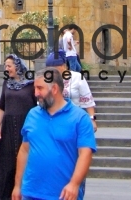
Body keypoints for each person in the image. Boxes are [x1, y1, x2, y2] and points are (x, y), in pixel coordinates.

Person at [12, 68, 96, 200]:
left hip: (64, 195)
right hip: (30, 193)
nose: (35, 93)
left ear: (55, 89)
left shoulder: (80, 118)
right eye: (35, 88)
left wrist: (74, 184)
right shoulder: (32, 114)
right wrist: (17, 186)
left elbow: (85, 154)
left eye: (40, 88)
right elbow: (24, 150)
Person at [0, 54, 37, 200]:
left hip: (24, 127)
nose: (7, 69)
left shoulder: (31, 85)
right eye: (5, 66)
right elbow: (2, 105)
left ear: (18, 66)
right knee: (6, 165)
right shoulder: (6, 84)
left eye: (9, 66)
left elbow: (37, 107)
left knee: (24, 160)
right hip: (7, 129)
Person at [45, 50, 97, 133]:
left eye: (55, 68)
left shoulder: (77, 77)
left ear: (64, 66)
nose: (52, 72)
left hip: (75, 119)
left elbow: (88, 100)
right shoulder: (47, 80)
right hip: (53, 120)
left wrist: (92, 119)